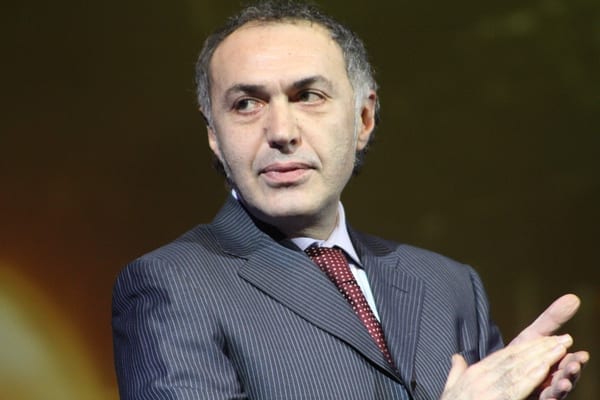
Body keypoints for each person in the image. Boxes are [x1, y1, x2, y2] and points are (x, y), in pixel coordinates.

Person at [112, 2, 589, 399]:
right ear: (214, 136)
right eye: (246, 104)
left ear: (364, 119)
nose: (281, 131)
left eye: (308, 96)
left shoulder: (449, 285)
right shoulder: (171, 285)